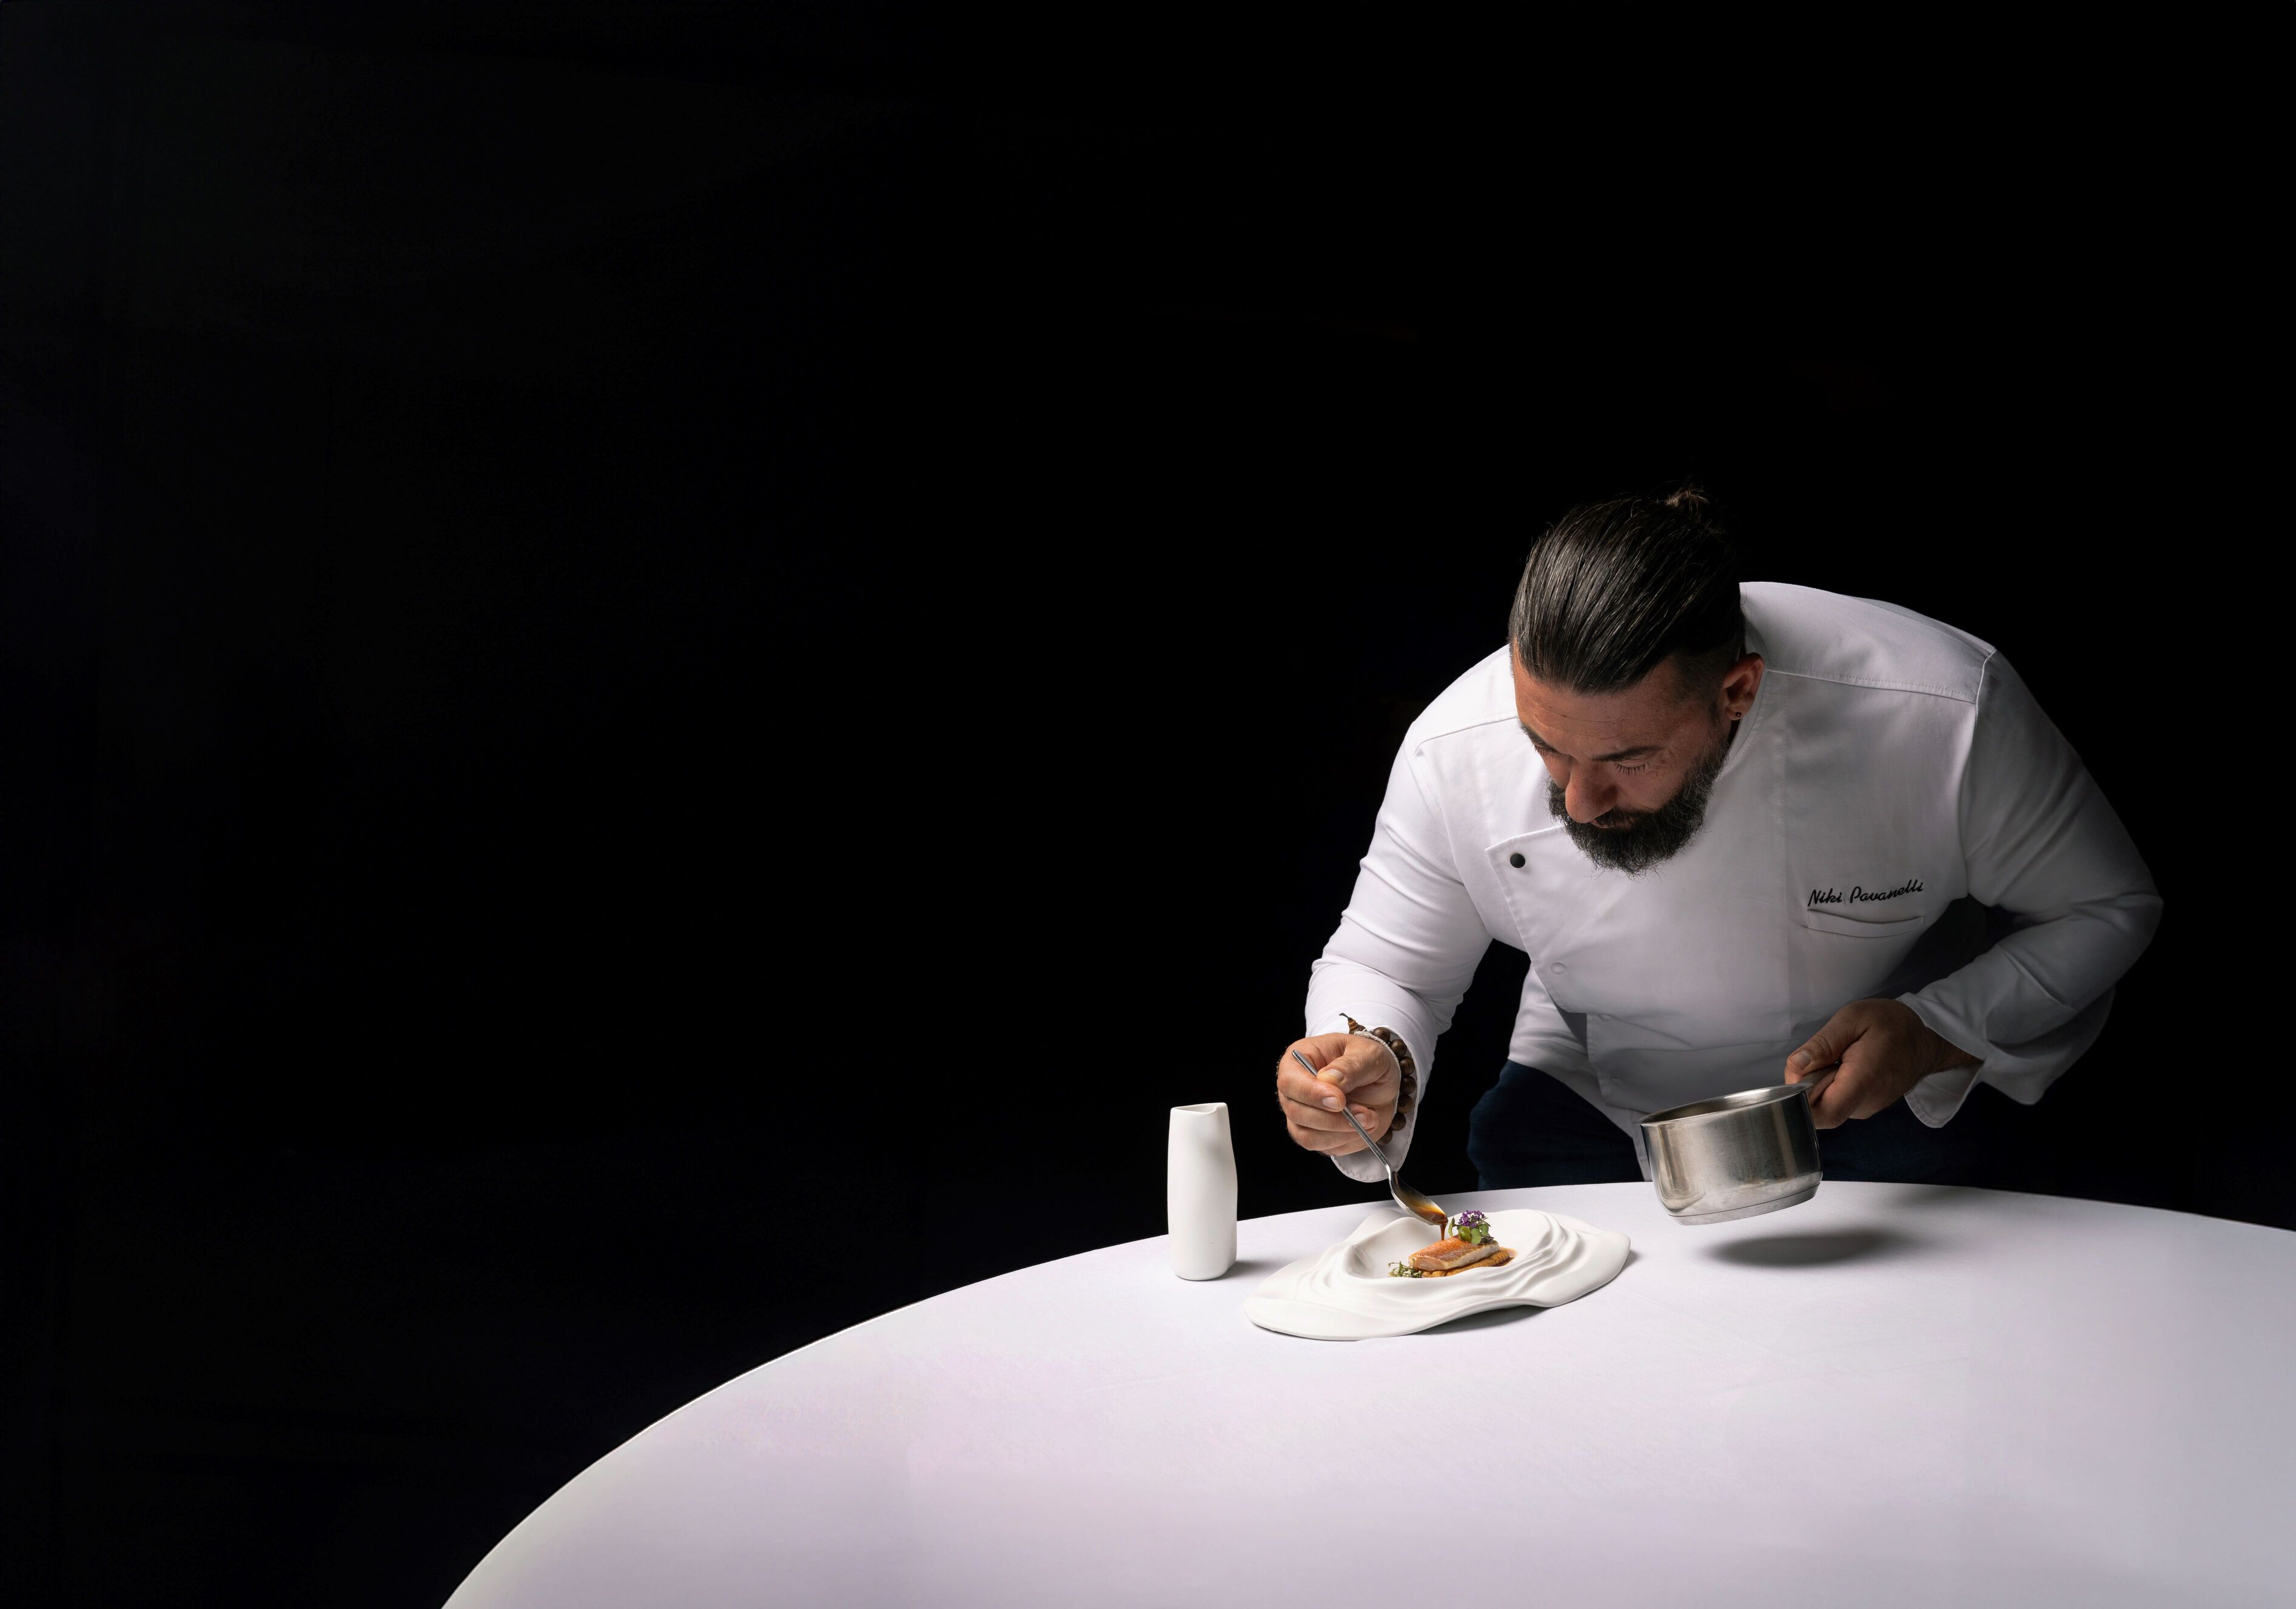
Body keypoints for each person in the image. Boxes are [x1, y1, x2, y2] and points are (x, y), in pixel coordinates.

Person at [1274, 488, 2160, 1191]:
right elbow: (1388, 968)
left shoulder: (1939, 713)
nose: (1578, 801)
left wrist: (1934, 1029)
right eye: (1546, 746)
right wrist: (1372, 1056)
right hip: (1592, 1097)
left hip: (1874, 1095)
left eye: (1627, 759)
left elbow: (2105, 907)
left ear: (1737, 691)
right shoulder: (1452, 749)